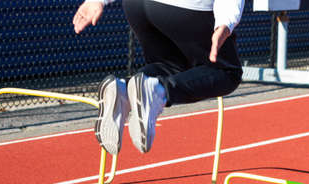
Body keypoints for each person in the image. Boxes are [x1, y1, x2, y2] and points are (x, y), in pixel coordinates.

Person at [73, 0, 245, 155]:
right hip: (184, 8)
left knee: (169, 66)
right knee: (227, 72)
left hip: (137, 8)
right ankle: (159, 91)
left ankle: (122, 90)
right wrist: (225, 22)